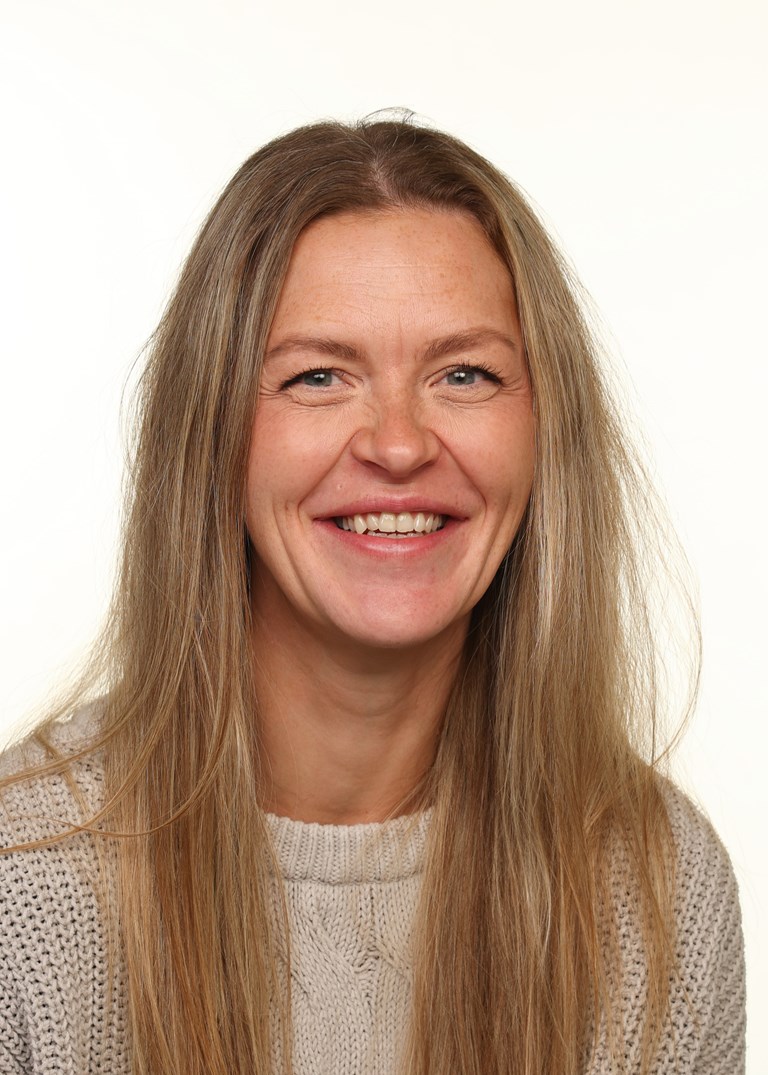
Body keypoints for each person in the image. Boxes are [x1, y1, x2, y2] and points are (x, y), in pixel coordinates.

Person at [0, 116, 745, 1075]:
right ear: (211, 434)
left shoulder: (658, 886)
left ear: (543, 431)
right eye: (318, 375)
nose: (398, 444)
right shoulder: (23, 879)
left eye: (464, 373)